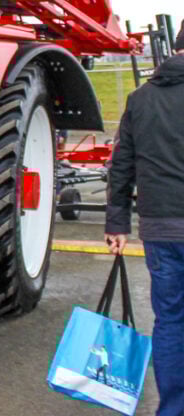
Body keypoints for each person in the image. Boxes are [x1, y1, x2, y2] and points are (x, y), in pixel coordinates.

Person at [106, 24, 184, 416]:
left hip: (159, 229)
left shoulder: (140, 99)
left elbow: (121, 166)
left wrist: (116, 224)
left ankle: (172, 409)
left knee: (170, 320)